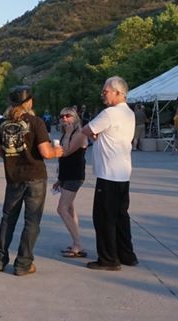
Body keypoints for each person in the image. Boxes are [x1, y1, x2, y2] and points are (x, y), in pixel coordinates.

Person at [0, 86, 63, 276]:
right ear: (28, 102)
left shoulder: (2, 123)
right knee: (32, 221)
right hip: (35, 176)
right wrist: (57, 151)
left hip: (14, 177)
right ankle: (23, 263)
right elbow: (46, 152)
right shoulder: (36, 122)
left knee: (8, 218)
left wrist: (12, 157)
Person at [80, 76, 138, 271]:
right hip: (122, 173)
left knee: (104, 218)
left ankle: (108, 258)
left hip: (108, 174)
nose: (103, 94)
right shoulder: (129, 113)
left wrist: (94, 135)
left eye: (105, 91)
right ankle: (126, 254)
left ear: (118, 92)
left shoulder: (110, 113)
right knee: (121, 216)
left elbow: (86, 129)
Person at [54, 106, 89, 258]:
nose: (64, 119)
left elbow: (67, 152)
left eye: (68, 116)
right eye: (62, 116)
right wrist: (59, 179)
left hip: (75, 175)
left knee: (61, 209)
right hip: (66, 175)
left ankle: (78, 244)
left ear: (75, 118)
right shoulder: (65, 134)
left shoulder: (79, 134)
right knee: (69, 209)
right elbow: (62, 157)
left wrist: (68, 134)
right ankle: (76, 242)